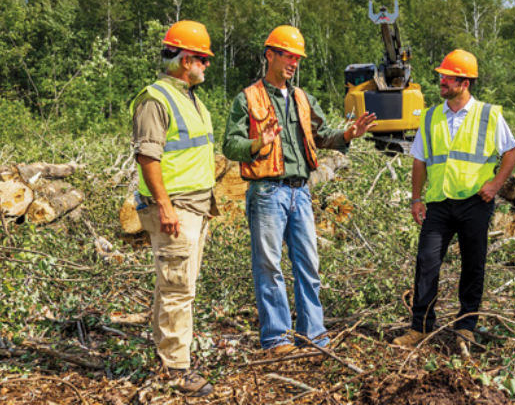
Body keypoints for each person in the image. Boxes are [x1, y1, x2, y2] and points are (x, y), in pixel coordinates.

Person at [223, 25, 376, 354]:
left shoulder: (303, 98)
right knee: (269, 267)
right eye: (288, 56)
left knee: (308, 264)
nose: (294, 63)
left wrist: (349, 135)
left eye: (297, 58)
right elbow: (230, 145)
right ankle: (278, 338)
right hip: (266, 193)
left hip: (300, 191)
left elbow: (320, 137)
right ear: (270, 55)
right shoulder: (247, 98)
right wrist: (256, 142)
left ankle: (314, 336)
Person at [393, 49, 515, 352]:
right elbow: (420, 160)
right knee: (426, 263)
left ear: (465, 82)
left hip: (475, 202)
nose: (441, 81)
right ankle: (420, 327)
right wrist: (415, 198)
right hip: (438, 203)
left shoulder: (489, 115)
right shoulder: (432, 115)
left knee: (473, 265)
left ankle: (466, 326)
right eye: (441, 76)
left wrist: (496, 183)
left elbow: (512, 152)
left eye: (447, 77)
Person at [131, 20, 218, 397]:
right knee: (177, 289)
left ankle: (168, 357)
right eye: (202, 58)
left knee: (177, 286)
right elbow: (148, 158)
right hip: (175, 210)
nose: (207, 65)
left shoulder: (187, 96)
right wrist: (164, 206)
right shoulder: (156, 99)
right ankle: (176, 370)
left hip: (193, 208)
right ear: (185, 59)